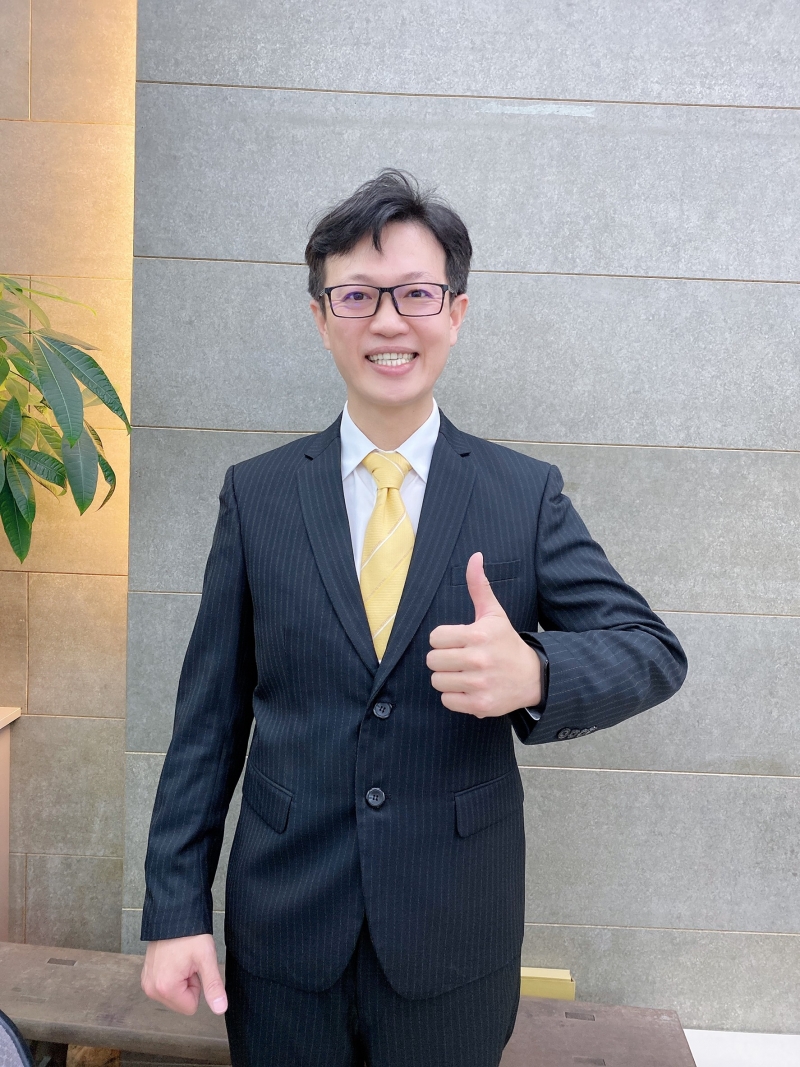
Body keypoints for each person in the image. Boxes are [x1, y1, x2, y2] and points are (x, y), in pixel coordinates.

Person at [140, 169, 687, 1067]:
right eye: (357, 295)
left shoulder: (523, 495)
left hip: (454, 938)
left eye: (416, 294)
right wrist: (174, 911)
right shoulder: (258, 496)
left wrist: (536, 671)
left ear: (456, 312)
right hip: (284, 933)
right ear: (321, 318)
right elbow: (206, 723)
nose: (388, 321)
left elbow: (652, 650)